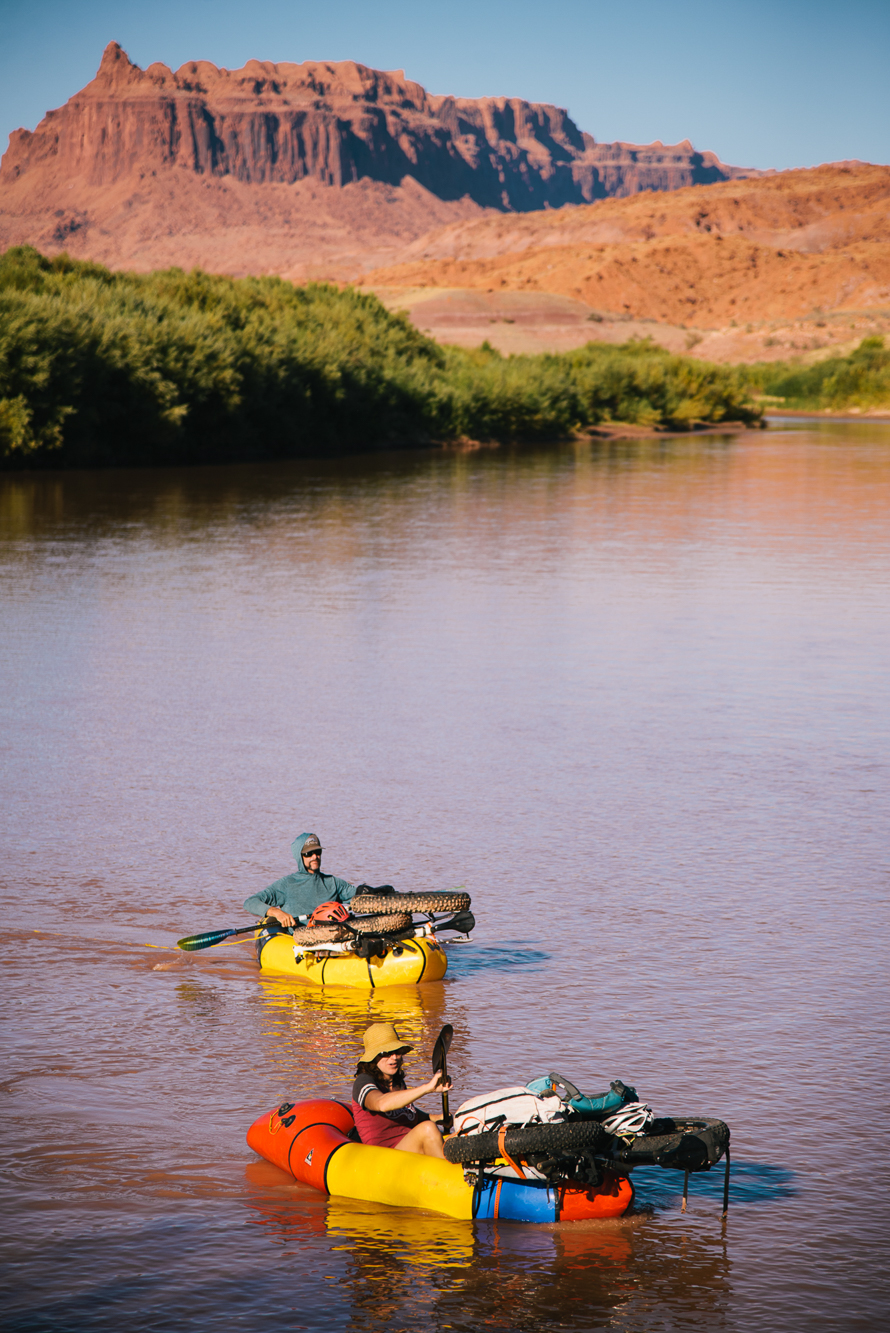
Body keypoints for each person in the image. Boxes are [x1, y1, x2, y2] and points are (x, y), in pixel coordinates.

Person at [352, 1023, 452, 1157]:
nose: (394, 1057)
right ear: (373, 1057)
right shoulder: (363, 1081)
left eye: (397, 1051)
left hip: (406, 1149)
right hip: (382, 1157)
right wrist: (427, 1088)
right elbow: (381, 1104)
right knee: (427, 1129)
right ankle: (450, 1175)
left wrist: (437, 1118)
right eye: (386, 1053)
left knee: (454, 1135)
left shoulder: (397, 1082)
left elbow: (409, 1112)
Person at [243, 832, 357, 930]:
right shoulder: (286, 884)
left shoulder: (333, 882)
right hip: (299, 941)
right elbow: (250, 902)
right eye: (308, 854)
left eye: (317, 852)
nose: (314, 857)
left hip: (332, 936)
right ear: (299, 856)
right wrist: (277, 913)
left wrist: (367, 891)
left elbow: (357, 894)